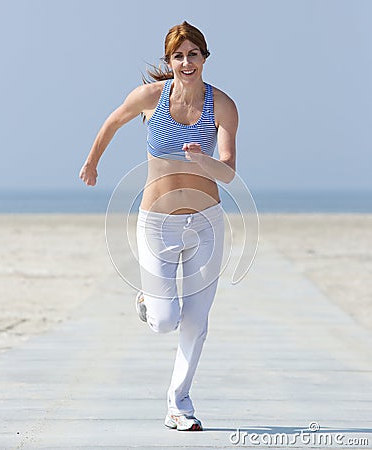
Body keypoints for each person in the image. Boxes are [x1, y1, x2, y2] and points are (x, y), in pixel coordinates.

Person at [79, 21, 238, 431]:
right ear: (169, 62)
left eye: (194, 54)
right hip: (157, 224)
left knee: (197, 321)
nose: (187, 62)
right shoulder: (150, 98)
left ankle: (178, 403)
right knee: (166, 320)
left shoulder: (222, 106)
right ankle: (148, 303)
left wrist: (204, 161)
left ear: (205, 58)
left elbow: (228, 172)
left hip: (207, 224)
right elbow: (112, 122)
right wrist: (93, 161)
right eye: (178, 56)